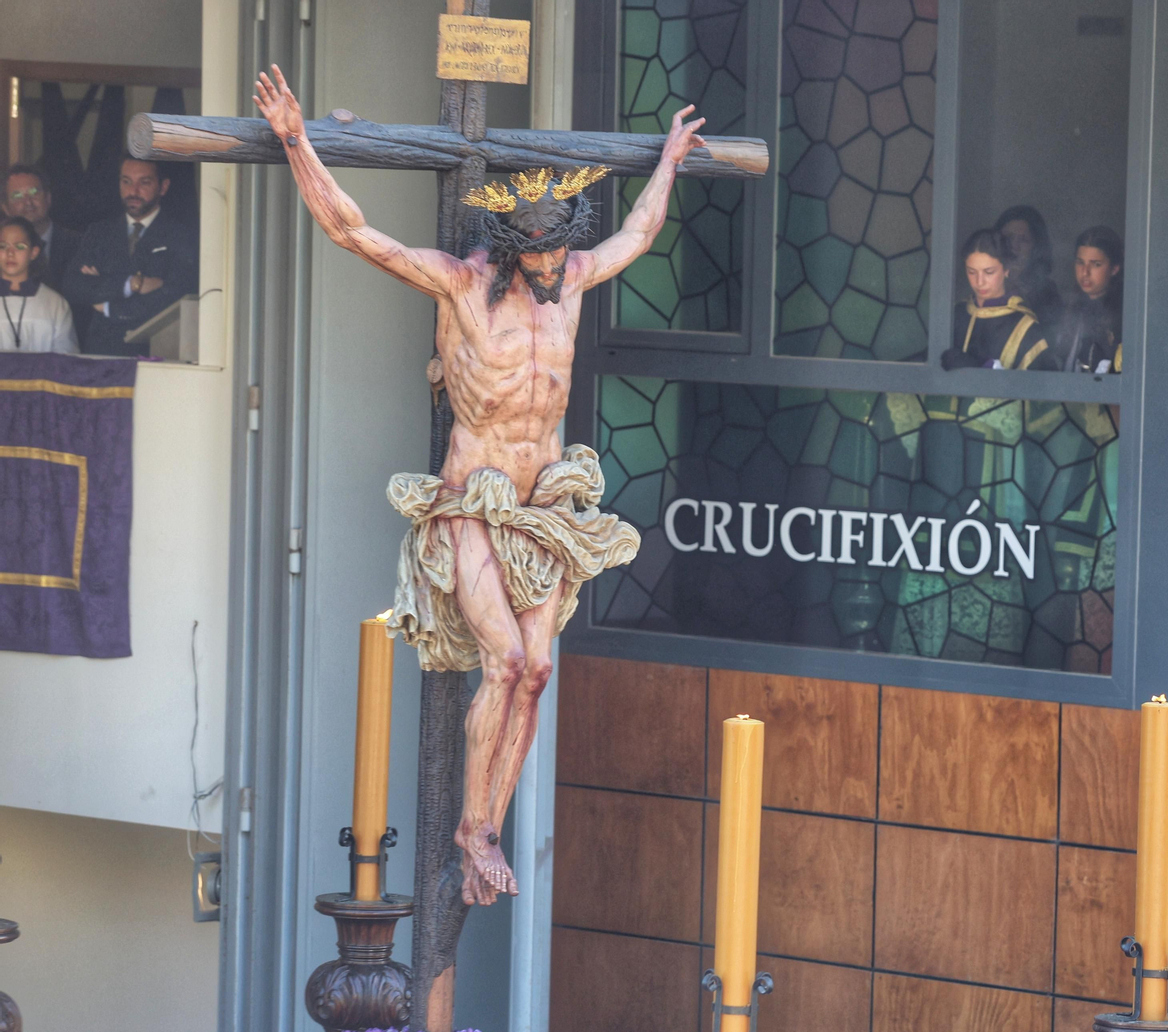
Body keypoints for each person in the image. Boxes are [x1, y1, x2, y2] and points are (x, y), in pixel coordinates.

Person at [254, 65, 703, 906]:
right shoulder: (461, 287)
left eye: (560, 241)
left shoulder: (569, 282)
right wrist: (295, 139)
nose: (553, 258)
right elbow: (357, 234)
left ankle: (489, 820)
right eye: (538, 246)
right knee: (500, 660)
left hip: (544, 510)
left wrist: (670, 159)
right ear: (507, 245)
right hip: (474, 504)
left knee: (536, 670)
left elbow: (637, 236)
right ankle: (474, 829)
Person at [60, 157, 199, 356]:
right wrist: (133, 284)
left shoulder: (180, 235)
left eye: (144, 182)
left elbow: (175, 294)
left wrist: (109, 307)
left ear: (163, 187)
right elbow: (74, 286)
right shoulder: (99, 232)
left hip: (156, 352)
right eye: (126, 181)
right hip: (103, 353)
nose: (133, 191)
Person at [942, 228, 1054, 371]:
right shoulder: (956, 314)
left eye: (989, 272)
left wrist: (980, 370)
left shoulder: (1026, 328)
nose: (979, 281)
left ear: (1006, 269)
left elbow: (1039, 388)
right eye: (972, 272)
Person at [0, 216, 78, 353]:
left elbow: (66, 358)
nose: (10, 253)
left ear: (33, 252)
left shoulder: (54, 303)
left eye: (19, 246)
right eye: (3, 246)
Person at [1054, 224, 1124, 373]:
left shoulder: (1123, 316)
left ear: (1114, 268)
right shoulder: (1067, 307)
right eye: (1080, 262)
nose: (1085, 272)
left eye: (1096, 264)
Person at [5, 164, 81, 293]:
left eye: (34, 192)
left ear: (48, 198)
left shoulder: (80, 245)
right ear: (5, 208)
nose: (28, 202)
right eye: (17, 196)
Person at [994, 204, 1063, 328]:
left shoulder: (1047, 294)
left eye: (1023, 240)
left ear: (1036, 247)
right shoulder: (983, 284)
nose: (1014, 246)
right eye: (1008, 238)